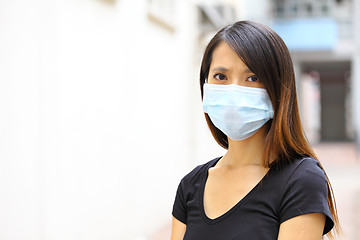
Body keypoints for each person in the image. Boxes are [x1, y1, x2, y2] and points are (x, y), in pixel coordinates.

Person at [170, 21, 340, 240]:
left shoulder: (301, 181)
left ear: (278, 89)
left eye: (253, 78)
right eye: (221, 76)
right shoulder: (190, 186)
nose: (234, 90)